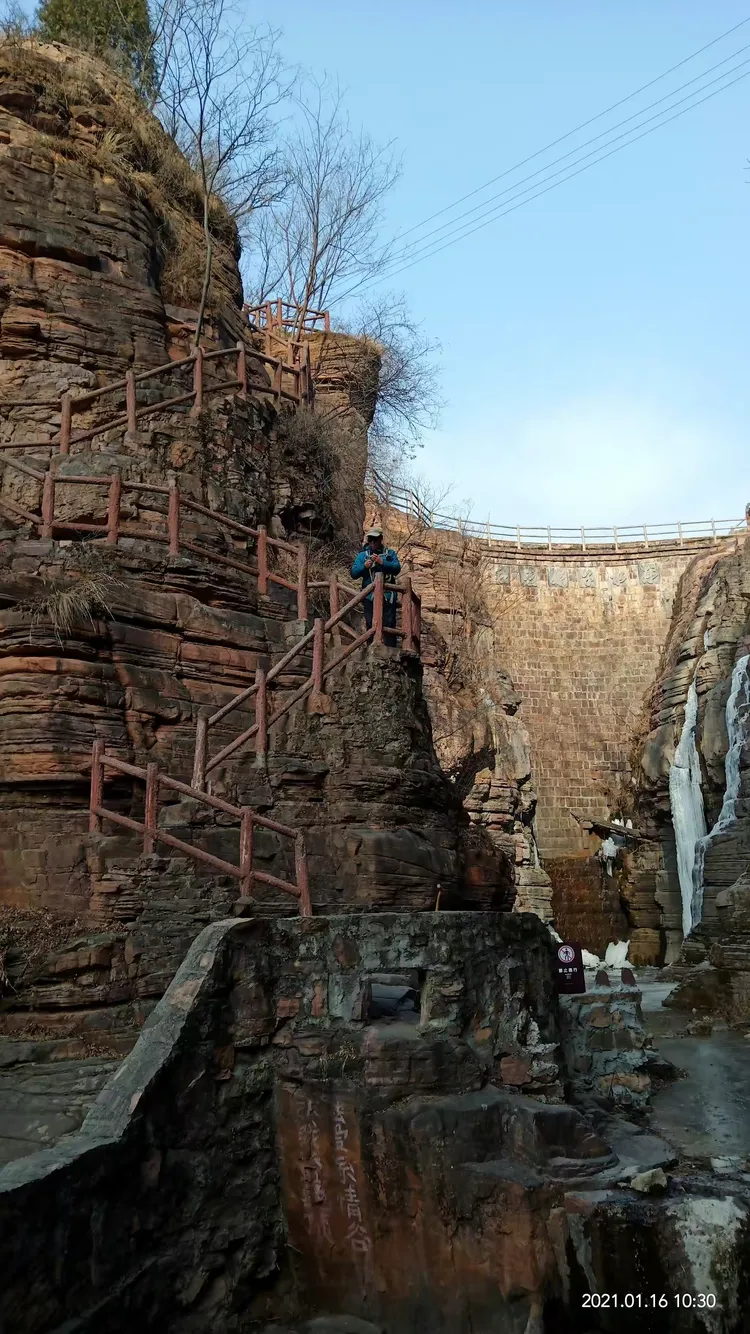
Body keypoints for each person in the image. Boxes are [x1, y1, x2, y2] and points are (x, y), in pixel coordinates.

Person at [351, 526, 401, 646]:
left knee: (389, 623)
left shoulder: (390, 553)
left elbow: (397, 568)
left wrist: (382, 562)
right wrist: (364, 567)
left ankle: (391, 650)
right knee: (370, 623)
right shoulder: (363, 555)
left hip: (388, 597)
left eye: (375, 540)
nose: (372, 543)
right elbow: (353, 573)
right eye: (370, 540)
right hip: (369, 597)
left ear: (381, 539)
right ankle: (371, 648)